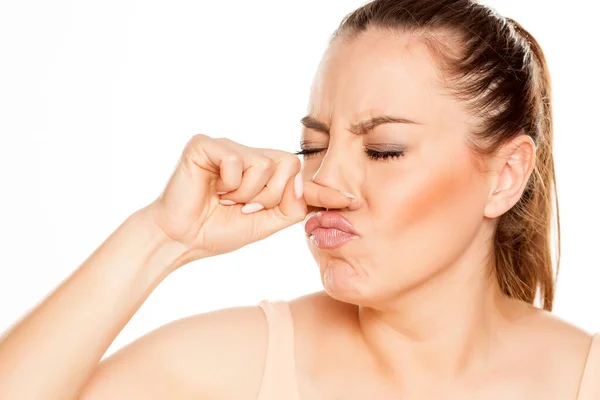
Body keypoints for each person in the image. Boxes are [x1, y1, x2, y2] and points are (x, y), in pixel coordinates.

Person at [0, 0, 598, 398]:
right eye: (313, 145)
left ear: (505, 176)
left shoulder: (582, 377)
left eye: (384, 150)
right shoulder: (239, 366)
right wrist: (162, 237)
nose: (322, 183)